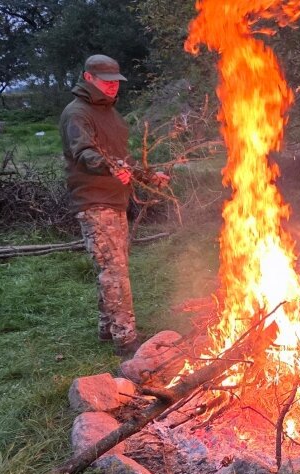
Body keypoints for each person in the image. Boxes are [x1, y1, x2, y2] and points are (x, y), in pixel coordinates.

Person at [59, 54, 169, 357]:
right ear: (88, 78)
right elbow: (84, 153)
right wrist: (109, 167)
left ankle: (108, 328)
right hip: (94, 200)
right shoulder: (77, 114)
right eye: (106, 82)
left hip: (114, 200)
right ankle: (126, 338)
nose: (112, 87)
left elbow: (122, 159)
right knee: (115, 271)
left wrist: (147, 174)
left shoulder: (110, 114)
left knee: (111, 265)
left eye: (115, 82)